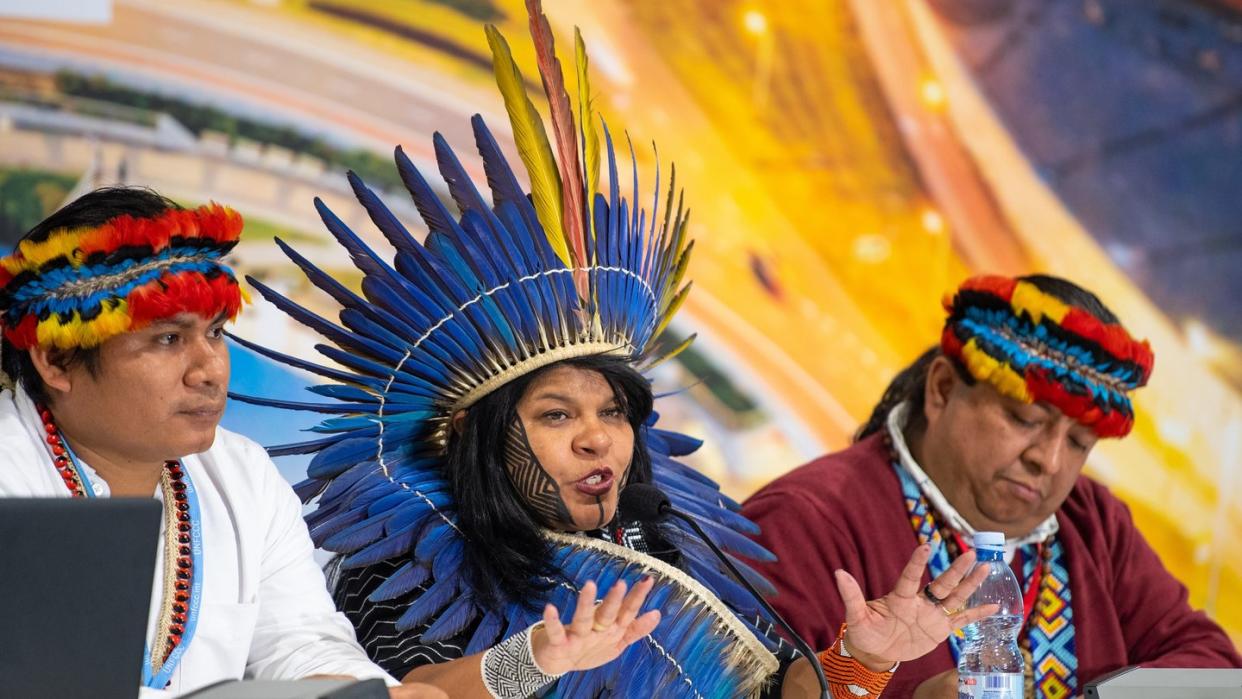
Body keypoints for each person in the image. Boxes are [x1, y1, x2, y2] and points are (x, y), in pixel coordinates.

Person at [230, 2, 999, 697]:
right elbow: (413, 692)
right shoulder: (403, 573)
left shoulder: (678, 549)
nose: (599, 436)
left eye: (614, 411)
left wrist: (863, 659)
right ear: (474, 432)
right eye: (557, 414)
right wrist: (532, 660)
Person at [0, 187, 445, 698]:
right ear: (55, 359)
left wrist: (364, 692)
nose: (211, 370)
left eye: (215, 333)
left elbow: (302, 641)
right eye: (168, 339)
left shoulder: (243, 475)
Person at [743, 274, 1242, 698]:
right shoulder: (804, 519)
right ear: (942, 390)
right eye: (1025, 419)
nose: (1046, 460)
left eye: (1079, 442)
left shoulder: (1092, 520)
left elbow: (1216, 672)